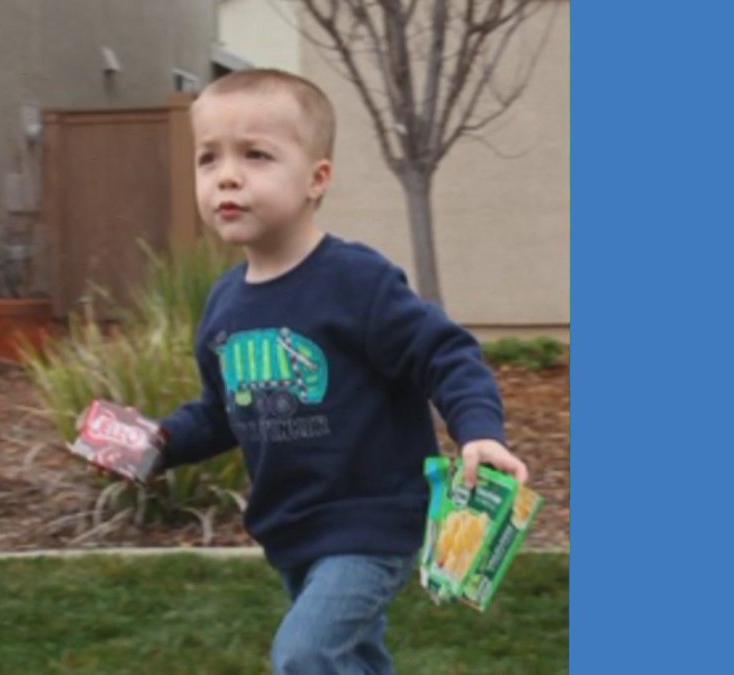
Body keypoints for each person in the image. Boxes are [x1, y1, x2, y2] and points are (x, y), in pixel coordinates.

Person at [151, 68, 528, 674]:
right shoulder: (224, 305)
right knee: (353, 659)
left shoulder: (356, 282)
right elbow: (222, 412)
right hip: (291, 527)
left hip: (372, 520)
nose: (226, 175)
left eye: (256, 155)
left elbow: (444, 352)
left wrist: (479, 429)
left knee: (306, 655)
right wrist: (159, 443)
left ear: (316, 179)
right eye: (207, 158)